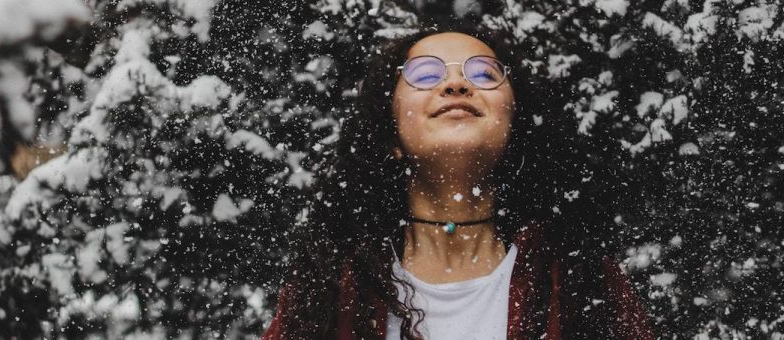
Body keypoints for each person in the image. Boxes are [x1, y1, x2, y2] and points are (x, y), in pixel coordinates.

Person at [263, 26, 653, 339]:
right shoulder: (333, 287)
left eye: (483, 73)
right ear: (390, 137)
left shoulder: (577, 279)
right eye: (425, 74)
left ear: (515, 128)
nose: (456, 84)